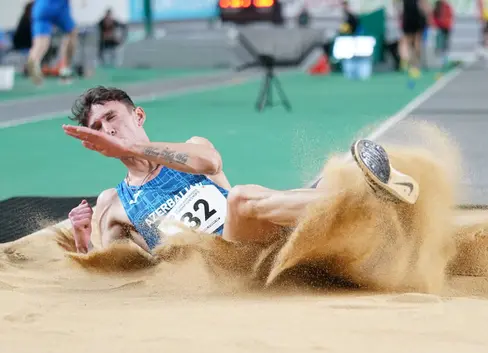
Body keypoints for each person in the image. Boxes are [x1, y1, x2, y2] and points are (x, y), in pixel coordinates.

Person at [65, 86, 420, 254]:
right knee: (241, 197)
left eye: (111, 117)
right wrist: (82, 236)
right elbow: (103, 269)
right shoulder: (113, 203)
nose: (107, 130)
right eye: (97, 128)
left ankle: (367, 199)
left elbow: (211, 163)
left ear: (138, 116)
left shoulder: (191, 148)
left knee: (335, 171)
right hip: (221, 266)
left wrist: (131, 147)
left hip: (265, 236)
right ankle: (358, 200)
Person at [27, 0, 77, 85]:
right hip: (60, 6)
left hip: (43, 6)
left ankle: (34, 60)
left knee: (41, 42)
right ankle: (65, 70)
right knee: (71, 33)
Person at [397, 0, 429, 76]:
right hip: (415, 17)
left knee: (407, 42)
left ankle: (407, 62)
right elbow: (424, 5)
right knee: (415, 42)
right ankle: (413, 64)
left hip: (408, 17)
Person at [432, 0, 454, 69]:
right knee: (439, 44)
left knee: (445, 44)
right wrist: (435, 25)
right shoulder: (437, 5)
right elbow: (434, 16)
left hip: (446, 27)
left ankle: (445, 60)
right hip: (439, 28)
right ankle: (439, 60)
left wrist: (449, 24)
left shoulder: (447, 6)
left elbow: (451, 15)